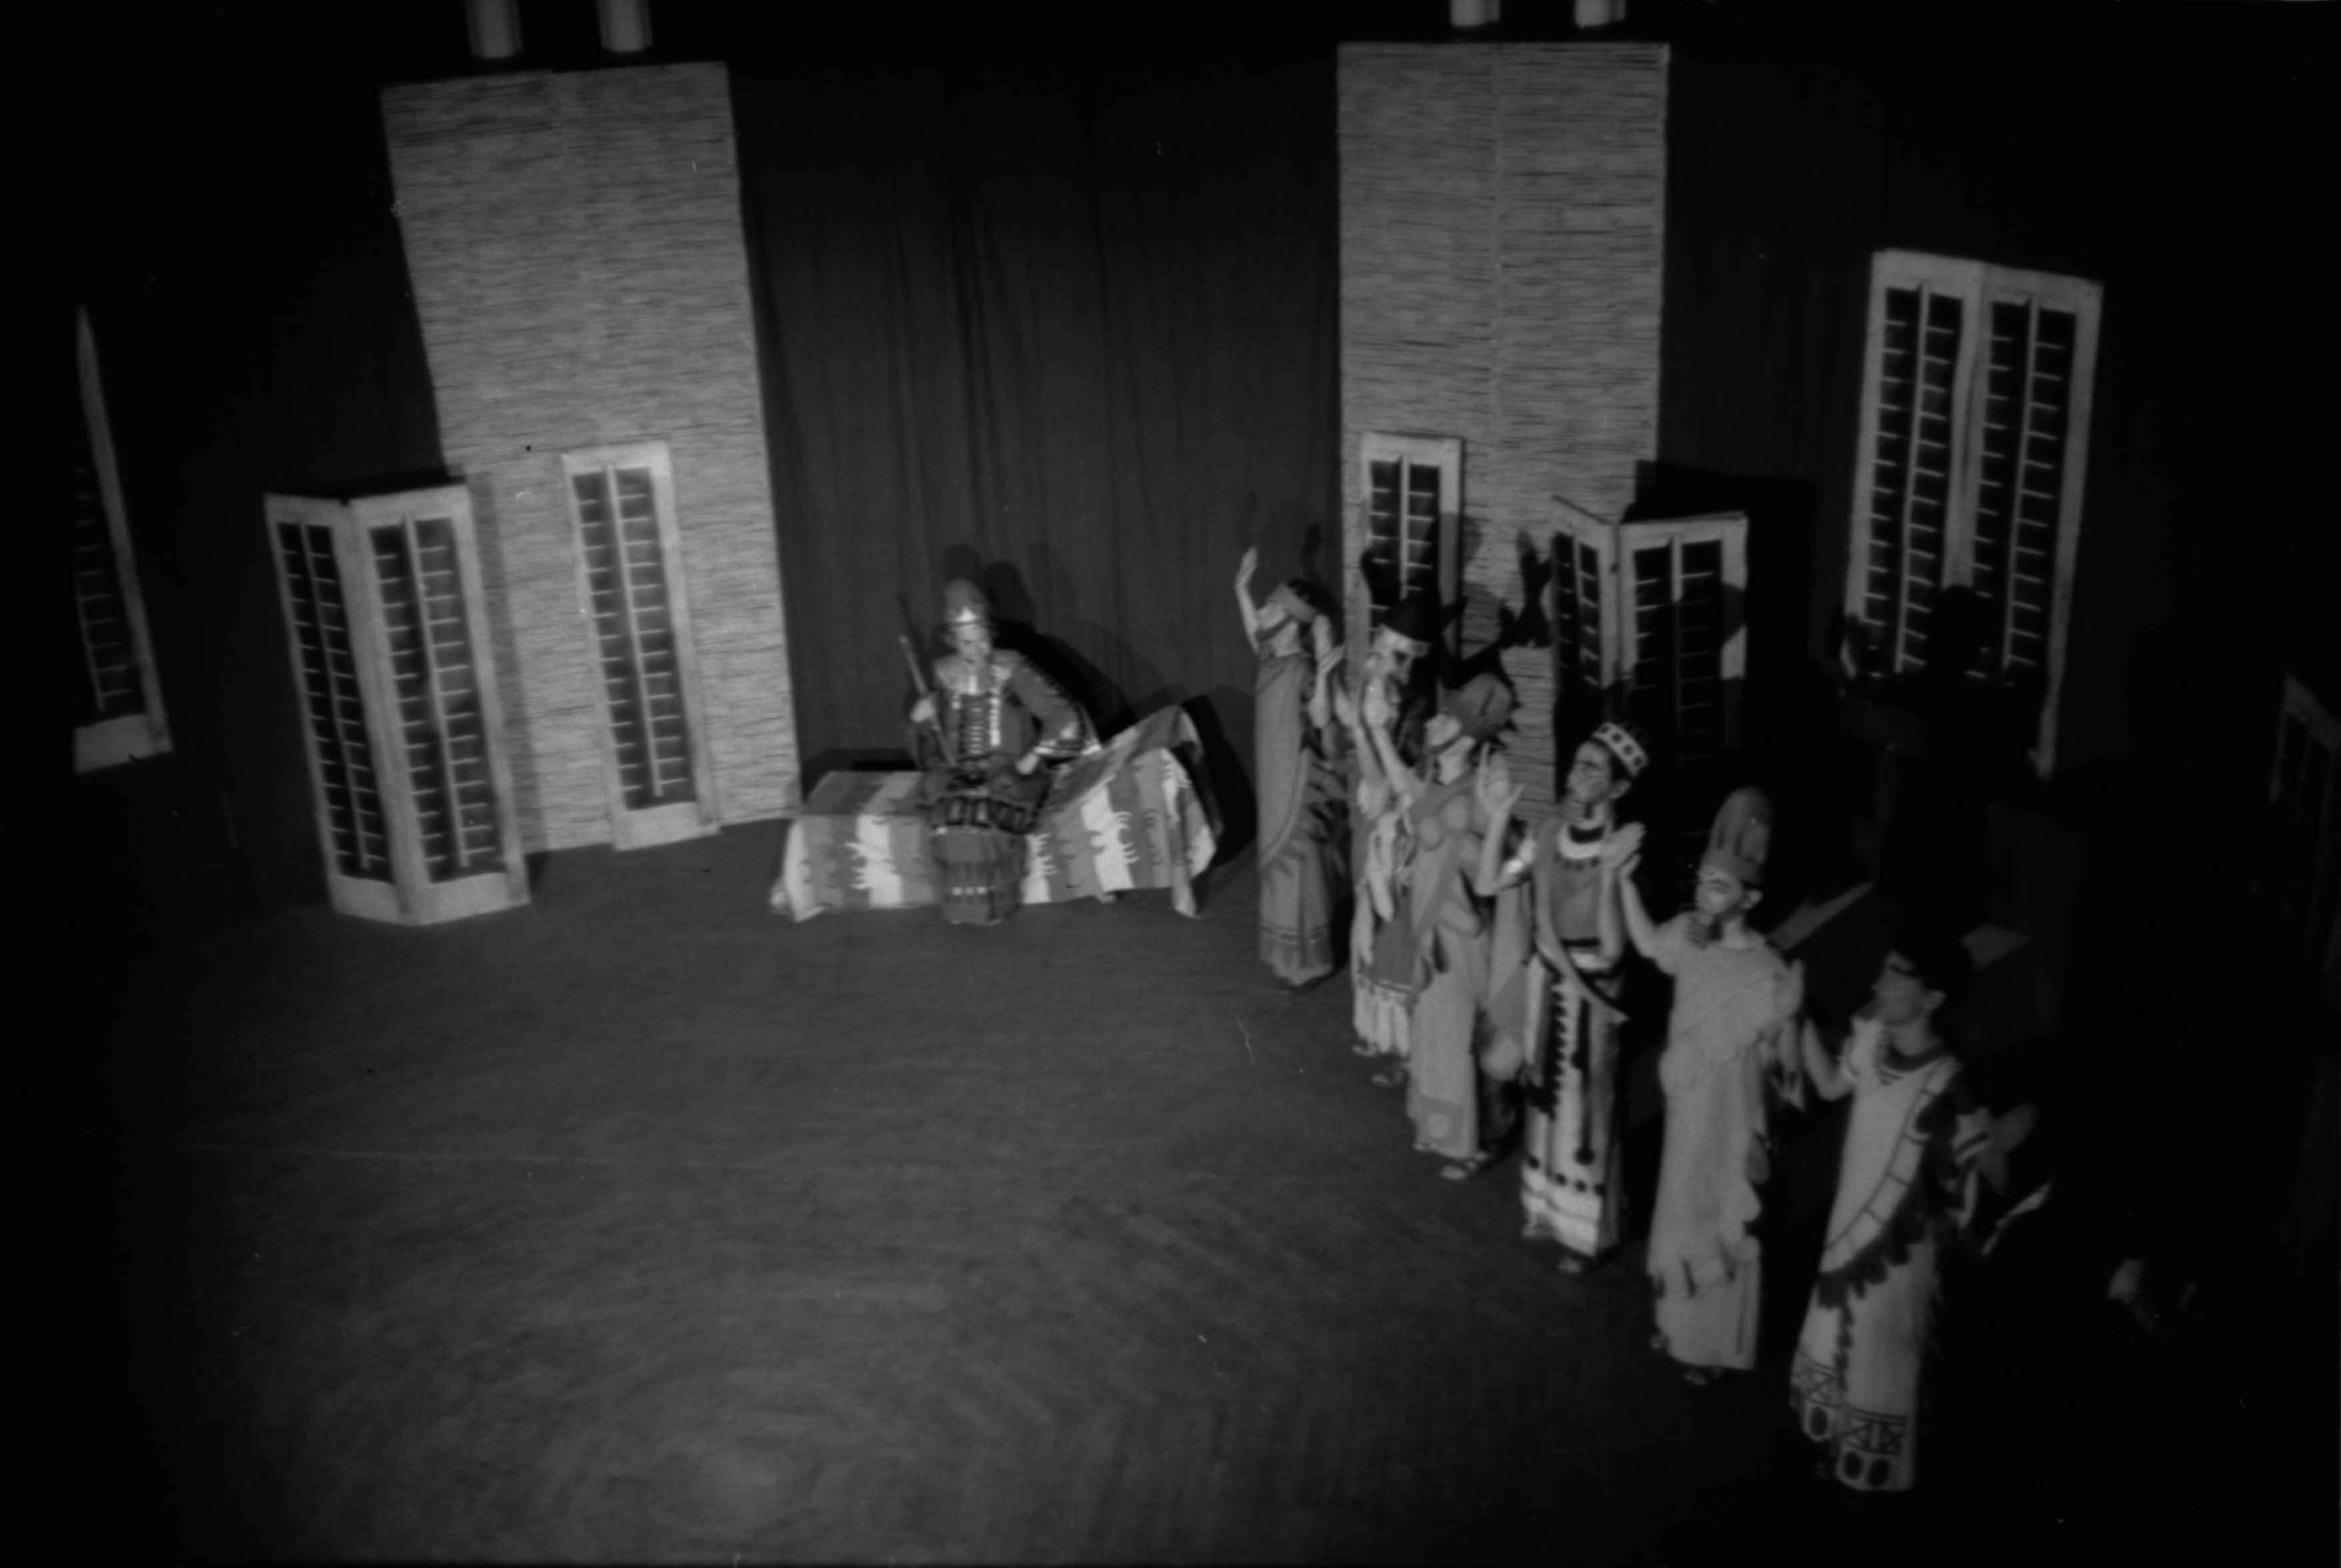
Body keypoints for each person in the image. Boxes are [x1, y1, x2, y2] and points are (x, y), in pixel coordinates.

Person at [1608, 787, 1806, 1384]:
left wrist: (1787, 1026)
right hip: (1688, 1113)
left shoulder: (1768, 971)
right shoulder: (1690, 937)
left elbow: (1786, 1068)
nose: (1703, 893)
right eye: (1703, 880)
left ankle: (1715, 1347)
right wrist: (1620, 878)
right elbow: (1645, 945)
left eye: (1719, 886)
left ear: (1751, 897)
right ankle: (1678, 1324)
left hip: (1733, 1119)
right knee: (1680, 1211)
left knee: (1724, 1218)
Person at [1788, 931, 1994, 1493]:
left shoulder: (1949, 1082)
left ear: (1932, 999)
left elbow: (1975, 1183)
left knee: (1882, 1370)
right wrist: (1798, 1015)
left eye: (1896, 973)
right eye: (1882, 969)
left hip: (1899, 1260)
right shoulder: (1872, 1039)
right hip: (1843, 1237)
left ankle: (1873, 1487)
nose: (1878, 983)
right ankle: (1836, 1460)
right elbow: (1831, 1085)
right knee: (1834, 1350)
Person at [1478, 718, 1649, 1273]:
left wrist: (1612, 871)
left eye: (1592, 767)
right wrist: (1500, 812)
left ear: (1617, 788)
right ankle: (1547, 1211)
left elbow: (1617, 949)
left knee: (1587, 1111)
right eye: (1577, 761)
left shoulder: (1624, 849)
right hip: (1548, 983)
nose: (1576, 773)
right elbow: (1490, 883)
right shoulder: (1548, 832)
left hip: (1592, 995)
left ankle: (1587, 1236)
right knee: (1546, 1099)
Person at [1361, 672, 1530, 1175]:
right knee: (1434, 1035)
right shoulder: (1438, 785)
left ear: (1465, 734)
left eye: (1444, 717)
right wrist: (1374, 731)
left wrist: (1499, 826)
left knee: (1458, 1040)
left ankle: (1473, 1141)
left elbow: (1494, 875)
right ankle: (1440, 1129)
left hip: (1461, 939)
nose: (1432, 722)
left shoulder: (1479, 796)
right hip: (1429, 932)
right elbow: (1407, 792)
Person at [909, 579, 1094, 925]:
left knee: (982, 810)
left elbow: (1064, 716)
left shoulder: (1013, 667)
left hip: (1011, 771)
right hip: (959, 771)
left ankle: (994, 904)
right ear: (953, 640)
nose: (976, 650)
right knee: (948, 809)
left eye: (982, 640)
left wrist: (1032, 758)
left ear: (991, 634)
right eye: (967, 643)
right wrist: (922, 718)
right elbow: (936, 738)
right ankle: (960, 907)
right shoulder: (944, 673)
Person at [1236, 549, 1348, 988]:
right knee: (1276, 864)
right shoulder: (1270, 657)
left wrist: (1323, 671)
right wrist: (1240, 590)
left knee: (1298, 864)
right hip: (1273, 779)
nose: (1262, 614)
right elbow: (1251, 629)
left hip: (1298, 783)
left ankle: (1308, 962)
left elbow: (1322, 719)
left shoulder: (1301, 668)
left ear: (1289, 623)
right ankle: (1287, 958)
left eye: (1270, 607)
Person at [1338, 596, 1442, 1068]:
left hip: (1406, 828)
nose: (1381, 665)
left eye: (1393, 657)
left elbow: (1396, 789)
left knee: (1397, 927)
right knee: (1370, 922)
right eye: (1380, 652)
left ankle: (1409, 1046)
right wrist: (1362, 731)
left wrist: (1372, 730)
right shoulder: (1373, 691)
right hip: (1378, 818)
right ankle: (1379, 1030)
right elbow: (1371, 782)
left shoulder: (1419, 709)